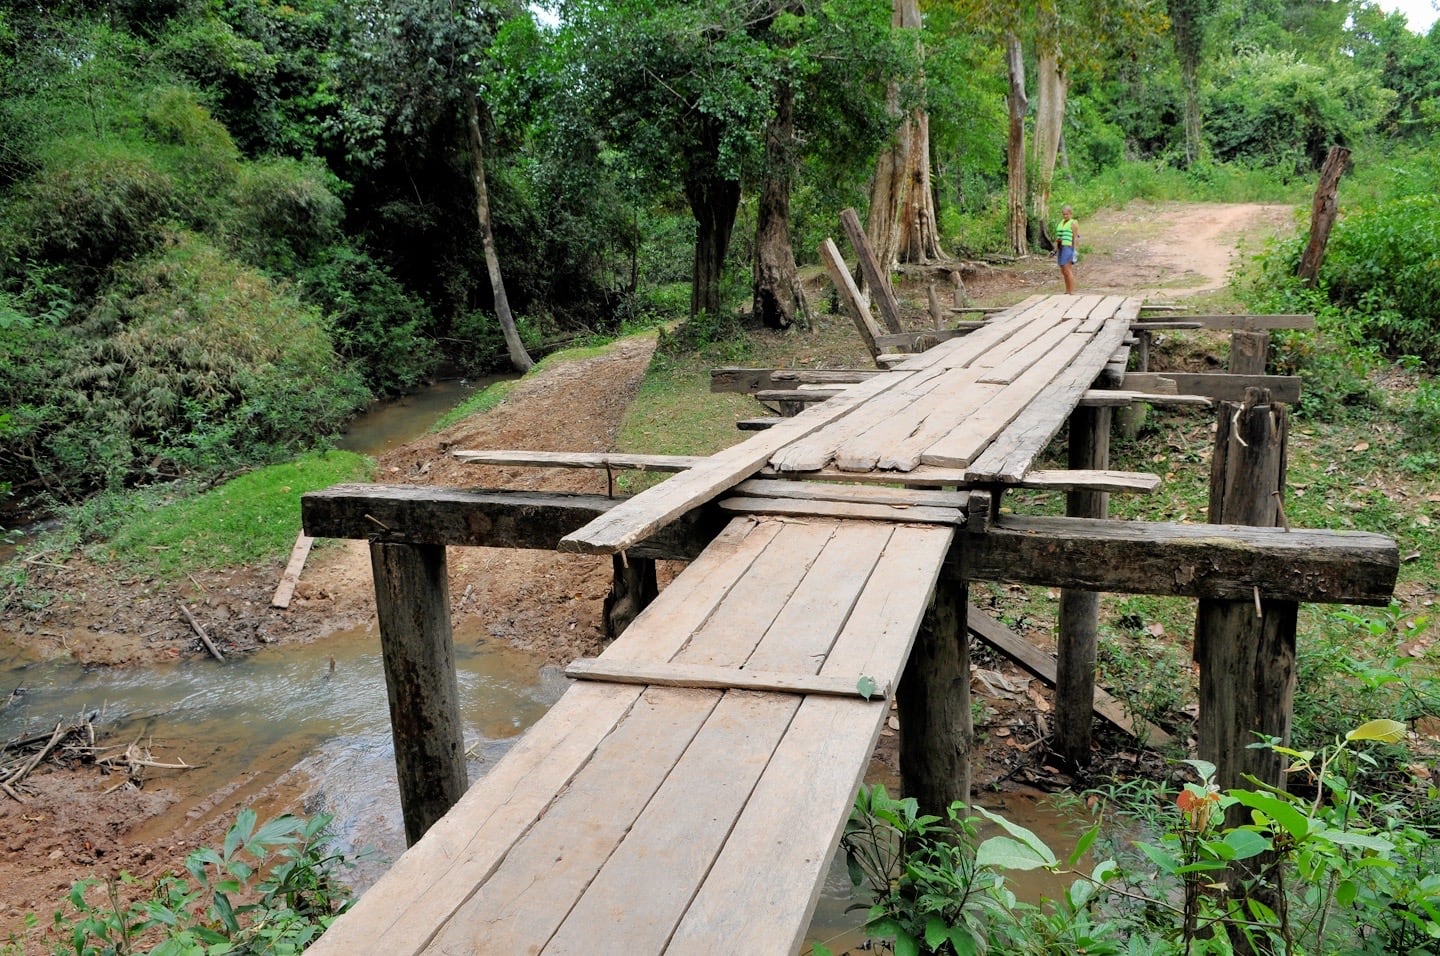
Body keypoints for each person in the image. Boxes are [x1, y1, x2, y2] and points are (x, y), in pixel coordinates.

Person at [1056, 205, 1079, 293]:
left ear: (1071, 214)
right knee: (1063, 270)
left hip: (1068, 247)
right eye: (1064, 214)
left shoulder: (1073, 223)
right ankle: (1067, 290)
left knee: (1067, 269)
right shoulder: (1061, 223)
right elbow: (1058, 237)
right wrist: (1055, 249)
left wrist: (1075, 250)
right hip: (1061, 247)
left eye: (1067, 214)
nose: (1065, 216)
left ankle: (1071, 291)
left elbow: (1075, 237)